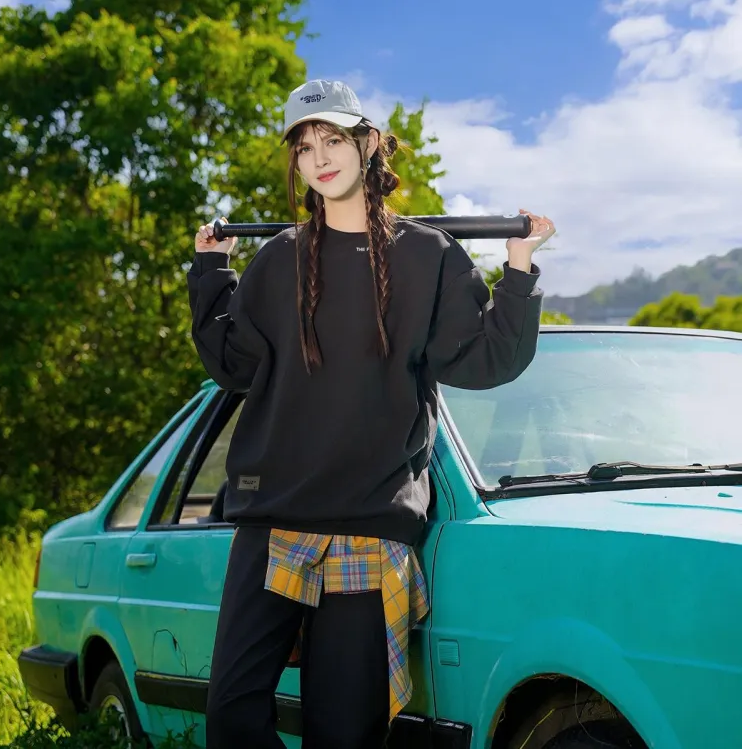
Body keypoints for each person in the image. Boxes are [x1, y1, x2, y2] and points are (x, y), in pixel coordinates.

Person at [187, 79, 555, 749]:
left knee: (343, 732)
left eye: (332, 139)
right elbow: (233, 365)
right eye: (304, 147)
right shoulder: (278, 259)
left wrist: (520, 269)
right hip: (274, 518)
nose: (319, 158)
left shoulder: (428, 256)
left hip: (369, 525)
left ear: (367, 143)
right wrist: (211, 273)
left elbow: (486, 360)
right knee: (232, 716)